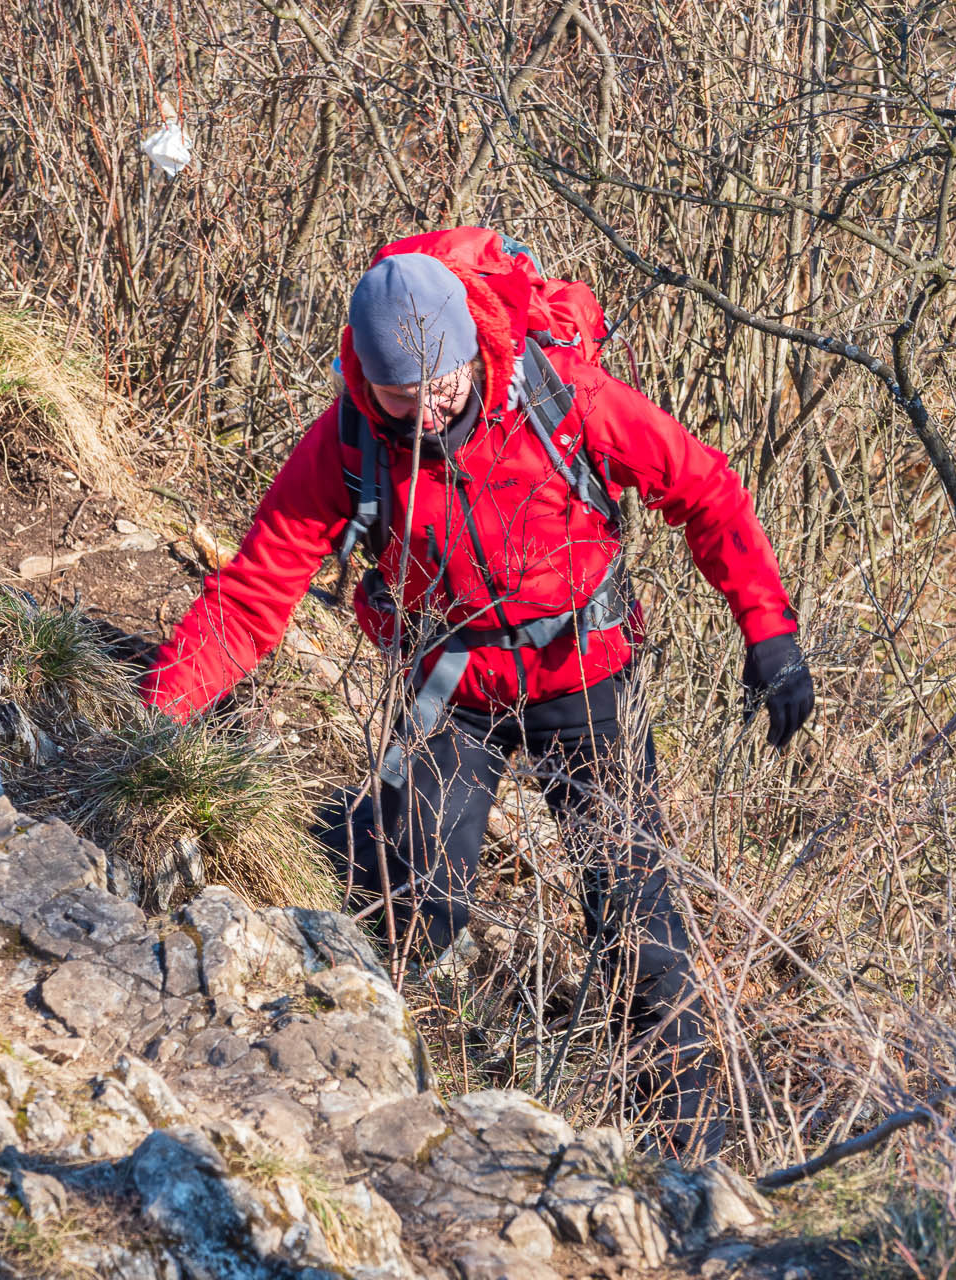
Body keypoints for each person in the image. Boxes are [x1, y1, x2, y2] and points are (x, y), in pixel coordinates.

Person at [140, 229, 815, 1160]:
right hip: (451, 688)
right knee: (408, 897)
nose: (426, 415)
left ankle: (688, 1160)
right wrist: (158, 716)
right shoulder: (346, 442)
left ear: (473, 352)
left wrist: (768, 630)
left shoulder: (561, 398)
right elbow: (258, 586)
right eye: (402, 399)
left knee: (639, 923)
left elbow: (703, 487)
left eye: (443, 387)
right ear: (366, 379)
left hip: (586, 679)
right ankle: (386, 1109)